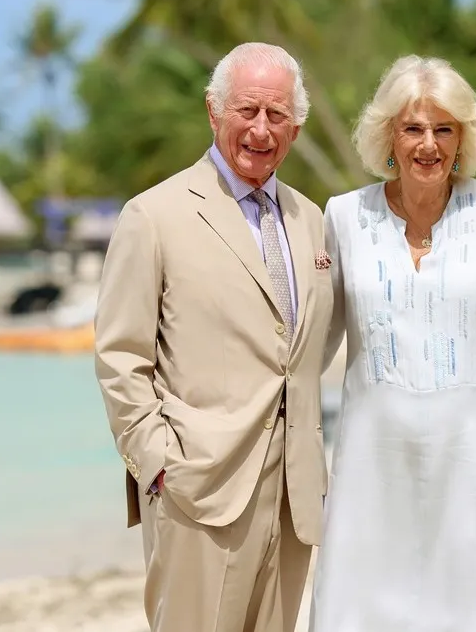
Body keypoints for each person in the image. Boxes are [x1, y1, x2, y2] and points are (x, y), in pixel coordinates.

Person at [94, 42, 333, 632]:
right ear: (213, 111)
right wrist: (157, 465)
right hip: (198, 491)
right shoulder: (153, 216)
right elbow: (120, 357)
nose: (260, 129)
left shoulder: (314, 221)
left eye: (276, 115)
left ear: (296, 127)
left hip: (293, 496)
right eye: (246, 111)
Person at [309, 55, 476, 631]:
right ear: (388, 134)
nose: (429, 145)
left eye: (444, 129)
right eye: (413, 128)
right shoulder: (343, 216)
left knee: (474, 607)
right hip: (372, 460)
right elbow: (312, 347)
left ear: (463, 138)